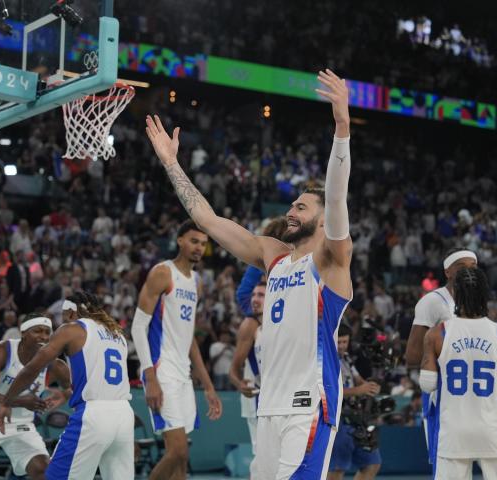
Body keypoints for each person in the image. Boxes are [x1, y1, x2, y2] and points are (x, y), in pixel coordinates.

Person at [145, 68, 353, 479]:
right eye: (292, 205)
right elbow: (207, 219)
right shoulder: (272, 255)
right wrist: (172, 164)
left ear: (322, 218)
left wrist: (342, 126)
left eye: (302, 207)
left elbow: (337, 196)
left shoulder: (331, 259)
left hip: (309, 403)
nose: (292, 211)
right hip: (268, 405)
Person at [0, 291, 135, 480]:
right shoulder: (117, 334)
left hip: (94, 415)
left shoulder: (72, 329)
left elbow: (33, 368)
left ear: (70, 312)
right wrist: (67, 392)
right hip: (124, 415)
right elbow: (97, 374)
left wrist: (6, 401)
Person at [131, 220, 223, 480]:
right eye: (194, 241)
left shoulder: (197, 282)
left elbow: (189, 338)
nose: (199, 248)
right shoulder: (162, 273)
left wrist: (208, 386)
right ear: (180, 240)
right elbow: (138, 327)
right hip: (162, 370)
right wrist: (149, 377)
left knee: (181, 460)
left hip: (183, 374)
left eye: (203, 244)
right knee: (178, 451)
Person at [420, 268, 497, 480]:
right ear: (485, 294)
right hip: (489, 429)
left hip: (452, 432)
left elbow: (427, 385)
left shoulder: (436, 334)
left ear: (456, 293)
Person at [0, 313, 71, 480]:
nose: (43, 336)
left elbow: (72, 388)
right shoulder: (2, 350)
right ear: (23, 332)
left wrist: (65, 395)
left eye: (47, 332)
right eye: (38, 331)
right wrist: (20, 402)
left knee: (43, 470)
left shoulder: (54, 364)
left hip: (22, 426)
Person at [405, 247, 478, 461]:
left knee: (466, 464)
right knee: (445, 463)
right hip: (442, 396)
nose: (468, 272)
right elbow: (412, 356)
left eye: (473, 267)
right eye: (461, 267)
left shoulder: (475, 304)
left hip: (469, 393)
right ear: (447, 271)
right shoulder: (432, 302)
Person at [327, 323, 381, 480]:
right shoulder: (326, 362)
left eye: (345, 342)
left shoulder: (346, 358)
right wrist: (359, 390)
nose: (342, 346)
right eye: (339, 342)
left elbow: (358, 381)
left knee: (372, 463)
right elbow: (330, 392)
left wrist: (370, 386)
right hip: (338, 420)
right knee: (337, 469)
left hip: (357, 420)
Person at [229, 282, 266, 478]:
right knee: (262, 457)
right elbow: (233, 369)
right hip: (256, 397)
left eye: (260, 295)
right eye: (253, 295)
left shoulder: (277, 325)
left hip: (276, 397)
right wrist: (239, 384)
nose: (255, 299)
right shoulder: (250, 325)